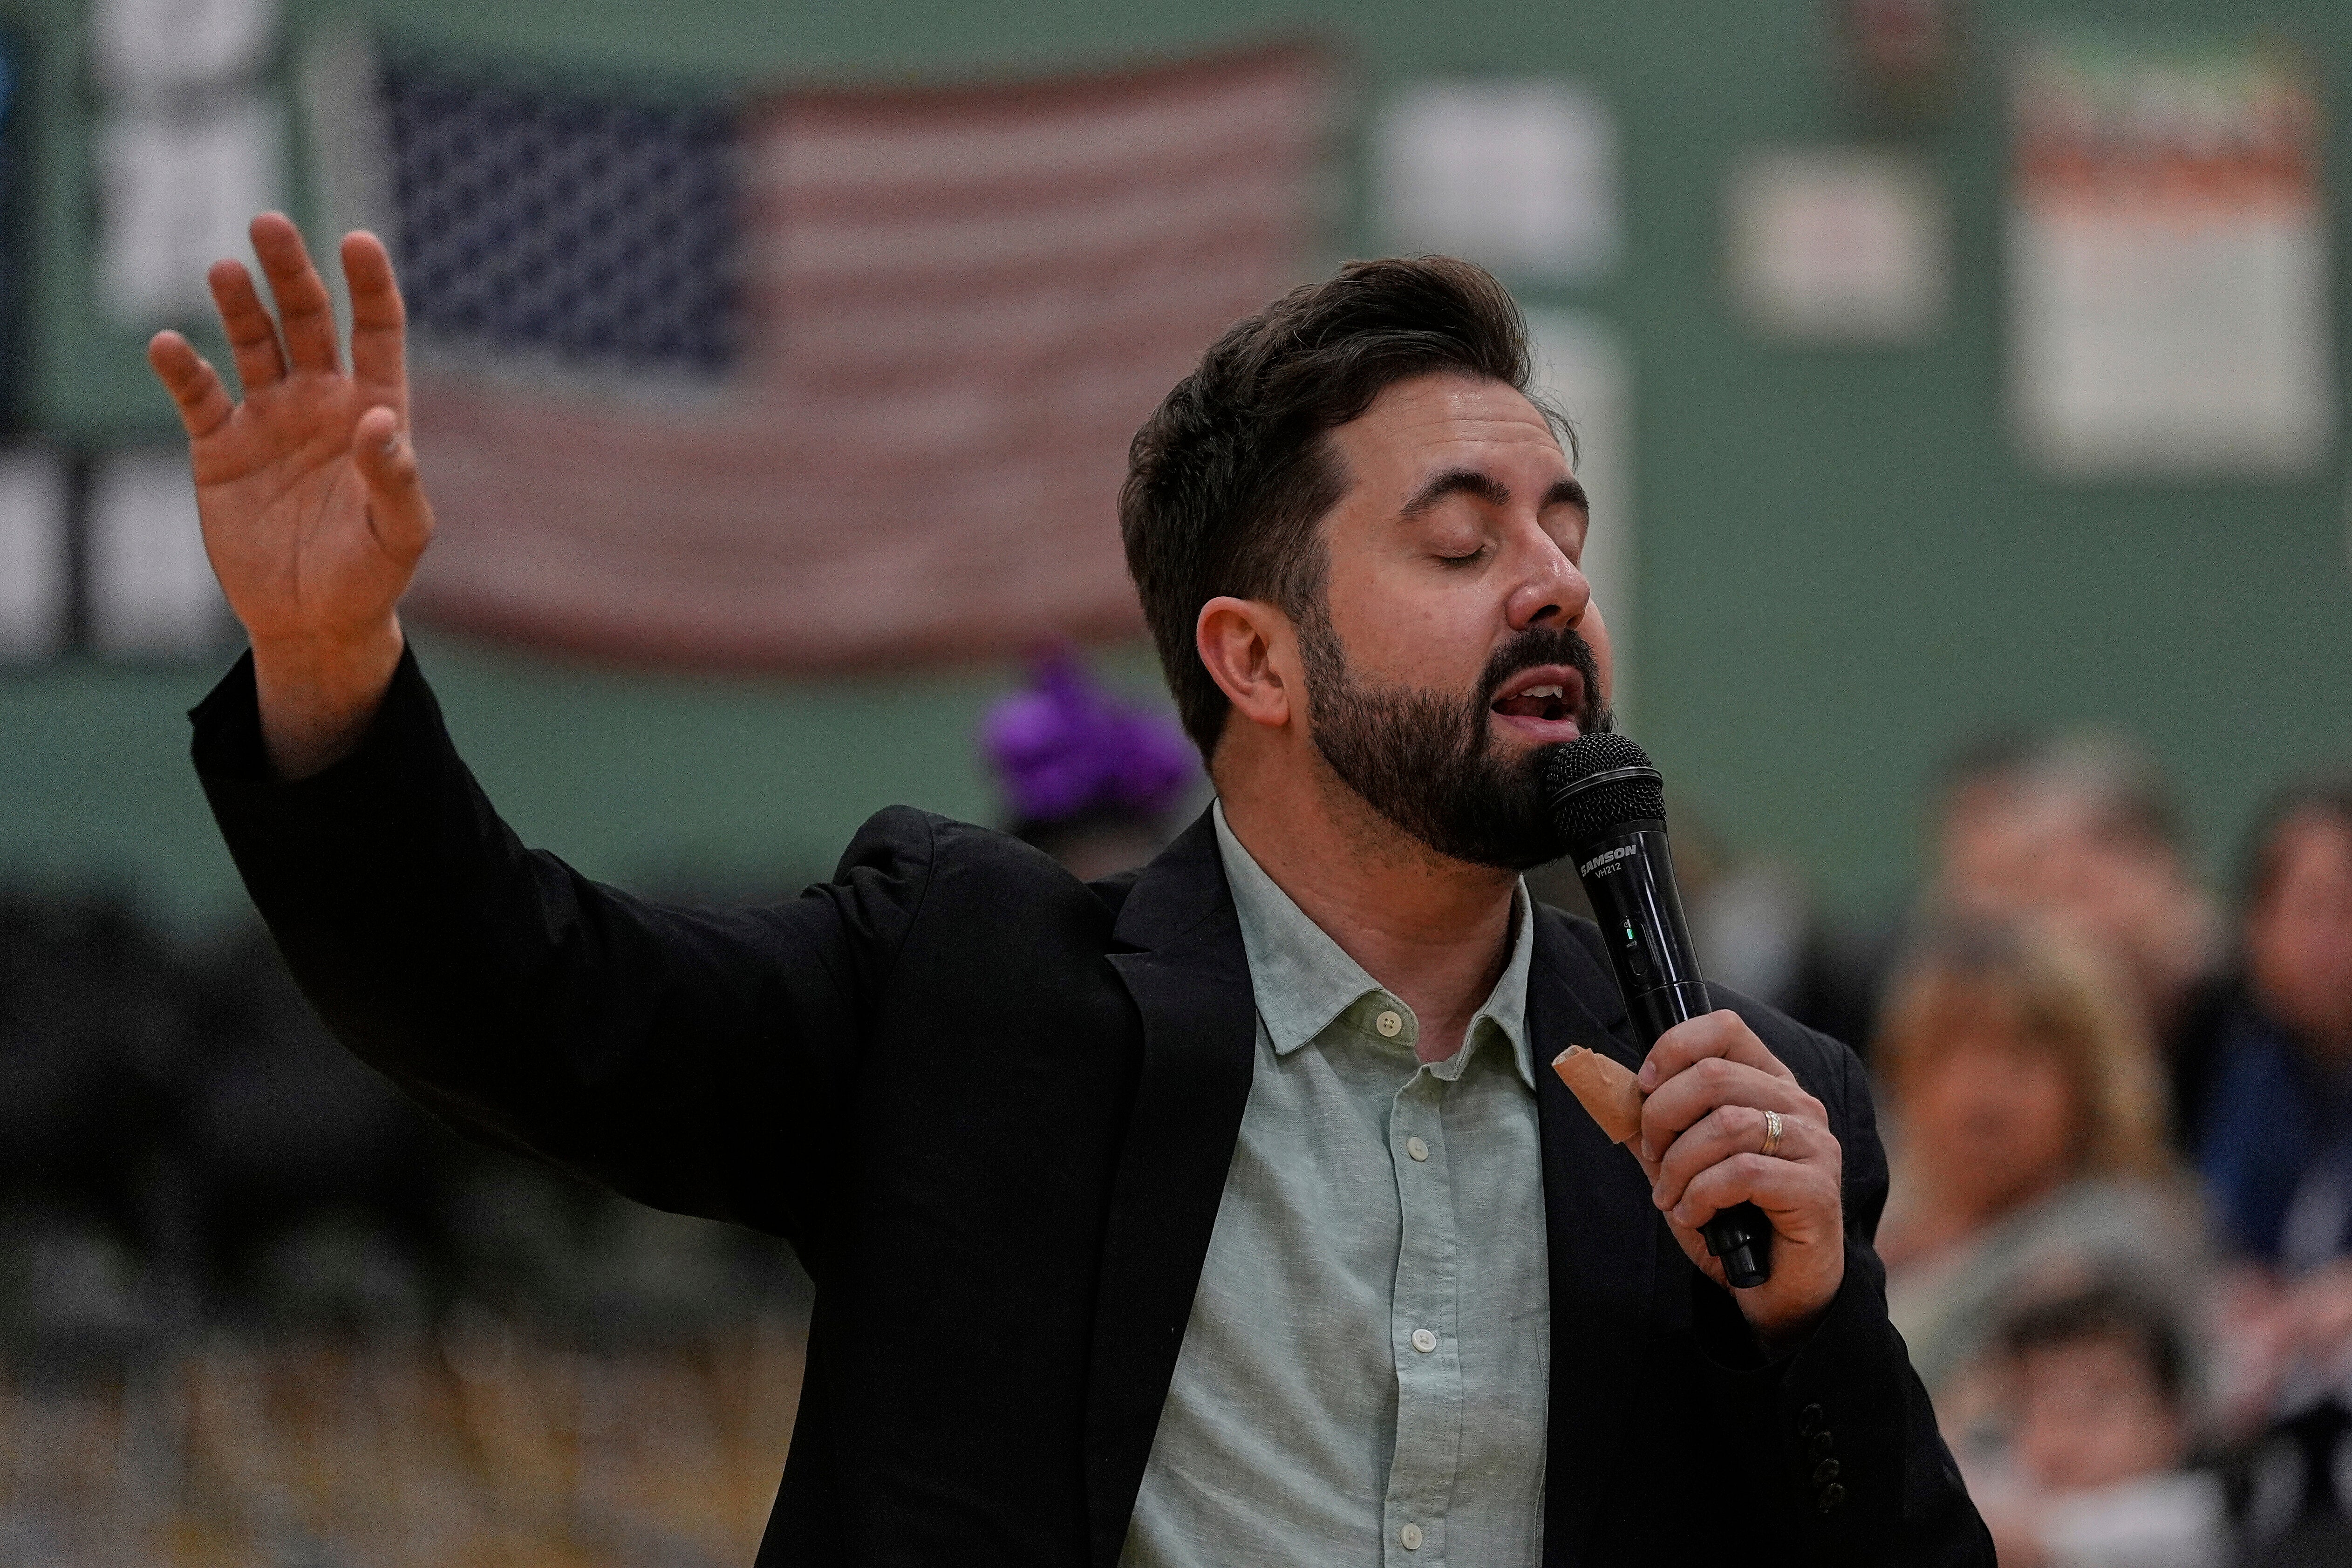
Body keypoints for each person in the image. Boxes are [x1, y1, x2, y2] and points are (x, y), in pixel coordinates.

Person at [147, 213, 1990, 1565]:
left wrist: (1804, 1325)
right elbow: (523, 999)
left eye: (1561, 534)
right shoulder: (972, 991)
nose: (1549, 583)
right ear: (1253, 662)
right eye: (1459, 536)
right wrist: (327, 662)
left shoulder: (1745, 1116)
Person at [1872, 919, 2203, 1434]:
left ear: (2089, 1082)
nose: (1982, 1095)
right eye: (1949, 1056)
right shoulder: (1876, 1216)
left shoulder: (2112, 1242)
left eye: (2020, 1057)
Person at [1967, 1281, 2226, 1568]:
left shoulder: (2185, 1516)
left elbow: (2003, 1548)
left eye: (2097, 1398)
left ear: (2172, 1419)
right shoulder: (2014, 1481)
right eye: (2039, 1401)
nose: (2066, 1424)